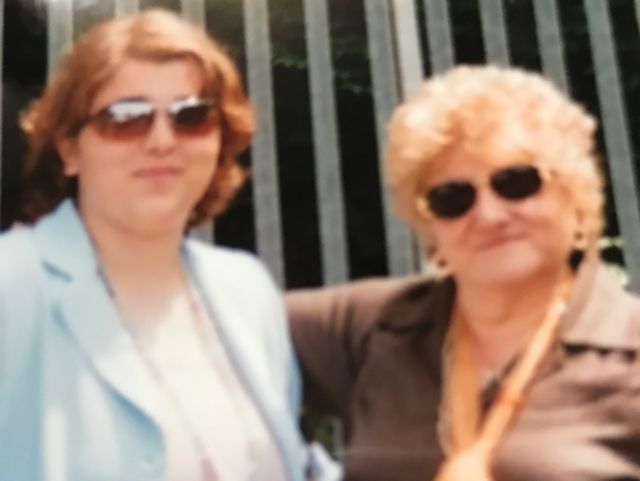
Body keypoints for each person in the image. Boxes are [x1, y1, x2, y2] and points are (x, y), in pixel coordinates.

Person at [0, 9, 315, 481]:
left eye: (192, 116)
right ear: (68, 150)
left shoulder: (246, 289)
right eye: (126, 118)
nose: (162, 140)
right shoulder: (11, 287)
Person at [286, 65, 640, 481]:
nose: (489, 215)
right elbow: (220, 313)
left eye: (517, 182)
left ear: (576, 197)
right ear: (429, 227)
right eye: (451, 197)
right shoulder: (375, 327)